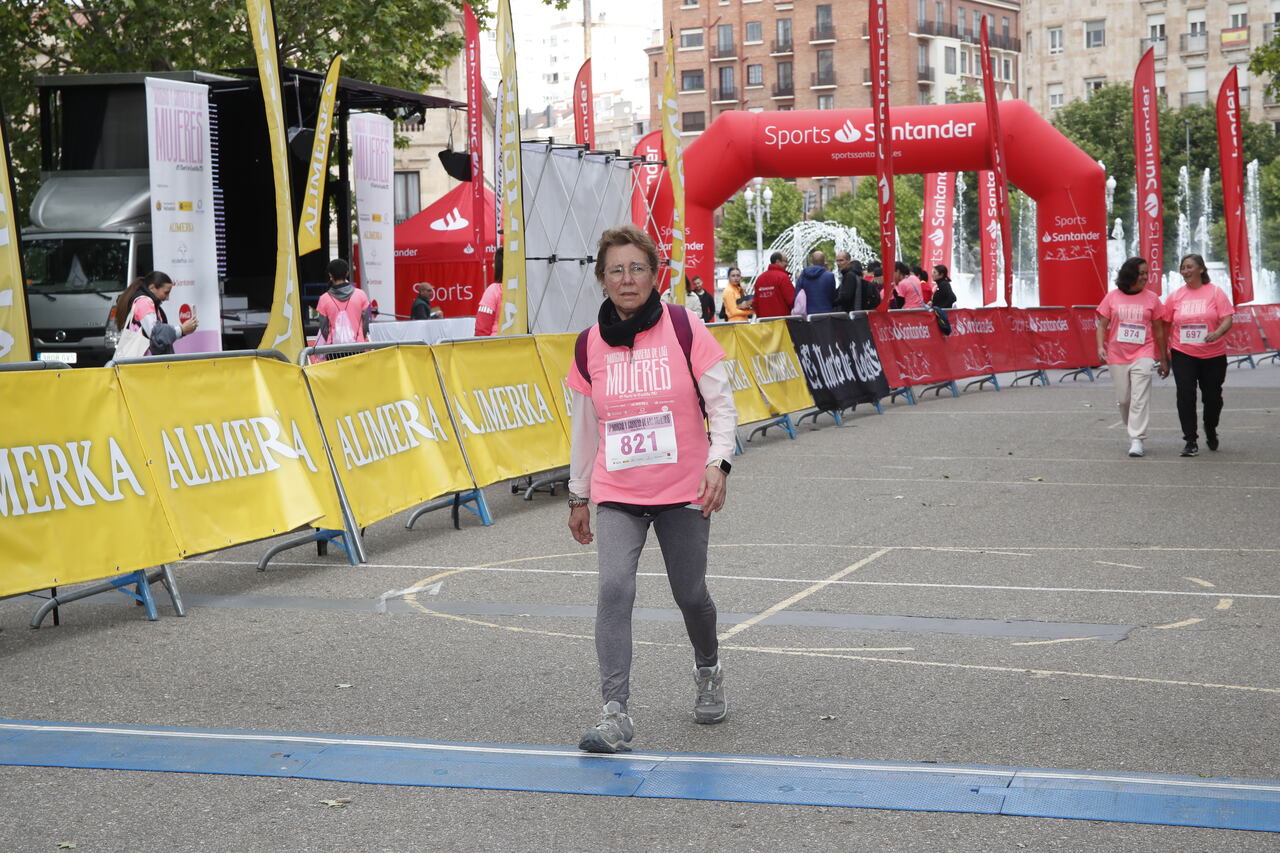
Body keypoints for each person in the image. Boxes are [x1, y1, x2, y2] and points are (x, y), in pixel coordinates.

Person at [566, 224, 737, 754]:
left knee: (690, 595)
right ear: (601, 279)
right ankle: (615, 712)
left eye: (637, 268)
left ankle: (708, 668)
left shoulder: (685, 327)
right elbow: (585, 426)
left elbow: (722, 406)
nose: (627, 278)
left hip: (685, 488)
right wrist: (578, 495)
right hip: (618, 490)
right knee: (614, 588)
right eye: (615, 269)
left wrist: (719, 463)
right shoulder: (588, 344)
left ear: (654, 274)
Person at [1163, 253, 1234, 456]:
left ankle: (1210, 428)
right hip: (1183, 352)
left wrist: (1217, 332)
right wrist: (1163, 353)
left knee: (1213, 398)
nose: (1185, 271)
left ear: (1201, 269)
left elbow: (1228, 318)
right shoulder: (1176, 296)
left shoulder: (1215, 292)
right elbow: (1165, 322)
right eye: (1183, 267)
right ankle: (1190, 440)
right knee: (1185, 394)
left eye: (1189, 267)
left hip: (1213, 354)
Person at [1095, 257, 1167, 458]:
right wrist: (1101, 347)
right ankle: (1132, 426)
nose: (1145, 277)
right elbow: (1101, 326)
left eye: (1146, 273)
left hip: (1144, 353)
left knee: (1139, 398)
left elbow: (1159, 331)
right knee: (1124, 400)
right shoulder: (1112, 297)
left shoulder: (1152, 298)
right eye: (1141, 273)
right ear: (1130, 274)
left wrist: (1163, 358)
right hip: (1117, 355)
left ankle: (1137, 439)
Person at [111, 270, 198, 357]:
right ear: (152, 288)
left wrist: (181, 331)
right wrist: (182, 329)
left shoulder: (146, 302)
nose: (167, 298)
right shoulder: (144, 302)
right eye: (166, 292)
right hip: (143, 364)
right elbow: (156, 334)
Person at [315, 259, 371, 349]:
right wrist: (361, 336)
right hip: (358, 346)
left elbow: (323, 328)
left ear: (330, 275)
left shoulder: (324, 299)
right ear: (347, 273)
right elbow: (366, 323)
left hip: (333, 349)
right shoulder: (361, 295)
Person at [751, 251, 794, 318]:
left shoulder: (760, 278)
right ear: (777, 261)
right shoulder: (783, 277)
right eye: (785, 261)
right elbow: (791, 300)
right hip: (782, 321)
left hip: (764, 321)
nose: (787, 264)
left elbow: (755, 303)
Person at [794, 250, 837, 315]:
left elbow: (797, 294)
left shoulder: (803, 276)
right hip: (826, 313)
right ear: (824, 261)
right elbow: (832, 296)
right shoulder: (830, 276)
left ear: (811, 260)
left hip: (807, 314)